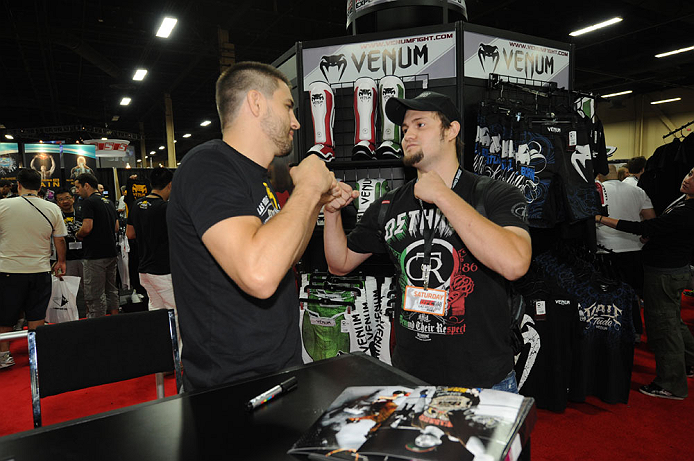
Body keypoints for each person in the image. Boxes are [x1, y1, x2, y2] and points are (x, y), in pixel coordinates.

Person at [323, 91, 532, 390]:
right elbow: (339, 264)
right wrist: (332, 213)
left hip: (483, 380)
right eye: (405, 129)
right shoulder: (388, 205)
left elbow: (515, 263)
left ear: (451, 130)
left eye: (420, 125)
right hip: (410, 377)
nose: (407, 135)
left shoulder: (494, 193)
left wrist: (443, 196)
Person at [167, 61, 342, 391]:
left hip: (278, 369)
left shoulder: (256, 177)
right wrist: (306, 188)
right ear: (256, 102)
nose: (296, 121)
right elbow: (259, 276)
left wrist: (316, 200)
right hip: (230, 385)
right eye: (288, 106)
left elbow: (283, 258)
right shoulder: (208, 165)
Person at [595, 166, 694, 400]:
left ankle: (671, 384)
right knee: (672, 322)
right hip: (666, 268)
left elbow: (645, 226)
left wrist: (601, 218)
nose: (687, 179)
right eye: (689, 172)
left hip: (666, 271)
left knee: (663, 327)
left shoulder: (689, 209)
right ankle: (688, 363)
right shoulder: (683, 200)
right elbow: (658, 226)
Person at [0, 169, 67, 369]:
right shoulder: (52, 208)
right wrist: (61, 261)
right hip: (40, 269)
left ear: (18, 185)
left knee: (5, 315)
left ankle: (4, 355)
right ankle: (36, 353)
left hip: (8, 269)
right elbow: (60, 239)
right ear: (40, 187)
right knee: (37, 315)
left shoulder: (3, 205)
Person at [595, 166, 655, 338]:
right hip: (634, 248)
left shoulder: (595, 191)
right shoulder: (637, 191)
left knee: (607, 293)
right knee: (633, 292)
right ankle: (635, 331)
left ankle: (611, 330)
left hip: (604, 248)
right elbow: (651, 219)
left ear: (599, 174)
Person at [126, 168, 178, 323]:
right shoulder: (165, 208)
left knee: (156, 310)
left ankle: (161, 345)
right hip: (163, 269)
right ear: (170, 185)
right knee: (175, 312)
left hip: (144, 269)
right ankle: (177, 348)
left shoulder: (136, 204)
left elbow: (130, 234)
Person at [74, 173, 119, 318]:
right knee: (111, 290)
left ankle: (97, 328)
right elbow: (116, 227)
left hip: (95, 255)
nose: (76, 191)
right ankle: (115, 320)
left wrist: (77, 234)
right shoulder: (109, 202)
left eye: (77, 187)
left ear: (86, 185)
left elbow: (87, 228)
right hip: (111, 252)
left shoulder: (88, 202)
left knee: (95, 294)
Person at [54, 187, 87, 318]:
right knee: (68, 292)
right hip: (66, 259)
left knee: (88, 290)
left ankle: (89, 315)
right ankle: (70, 317)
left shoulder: (82, 213)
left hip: (85, 256)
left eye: (67, 198)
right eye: (61, 200)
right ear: (57, 203)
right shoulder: (56, 216)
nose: (65, 202)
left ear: (73, 199)